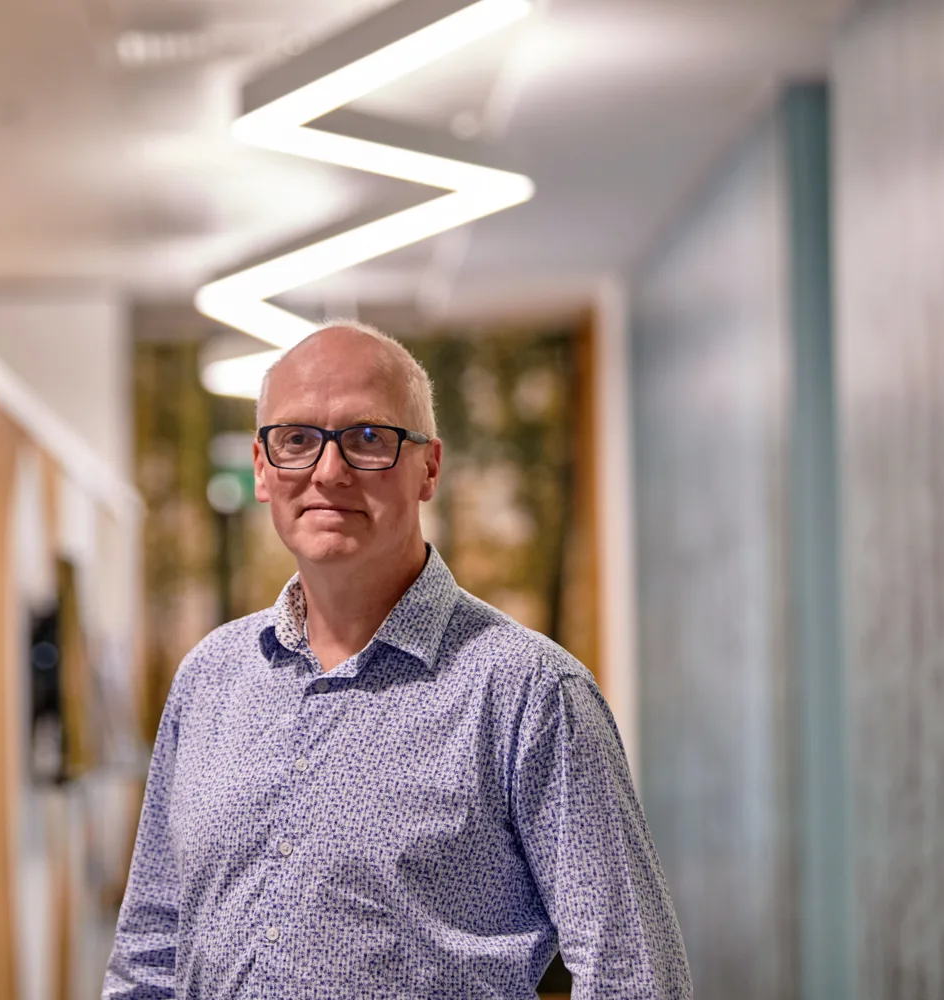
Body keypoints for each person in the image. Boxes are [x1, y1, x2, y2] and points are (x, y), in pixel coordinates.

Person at [104, 322, 691, 999]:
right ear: (262, 469)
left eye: (367, 437)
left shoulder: (530, 691)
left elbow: (632, 975)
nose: (329, 471)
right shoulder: (210, 678)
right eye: (296, 440)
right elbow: (149, 952)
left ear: (429, 468)